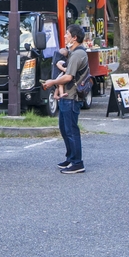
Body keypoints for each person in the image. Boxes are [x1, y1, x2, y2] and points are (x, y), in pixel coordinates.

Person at [42, 24, 88, 174]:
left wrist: (52, 83)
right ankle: (70, 157)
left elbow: (68, 76)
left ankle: (77, 162)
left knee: (71, 130)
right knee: (64, 128)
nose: (65, 36)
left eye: (67, 34)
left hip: (72, 96)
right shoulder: (73, 53)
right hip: (66, 96)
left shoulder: (78, 55)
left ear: (74, 38)